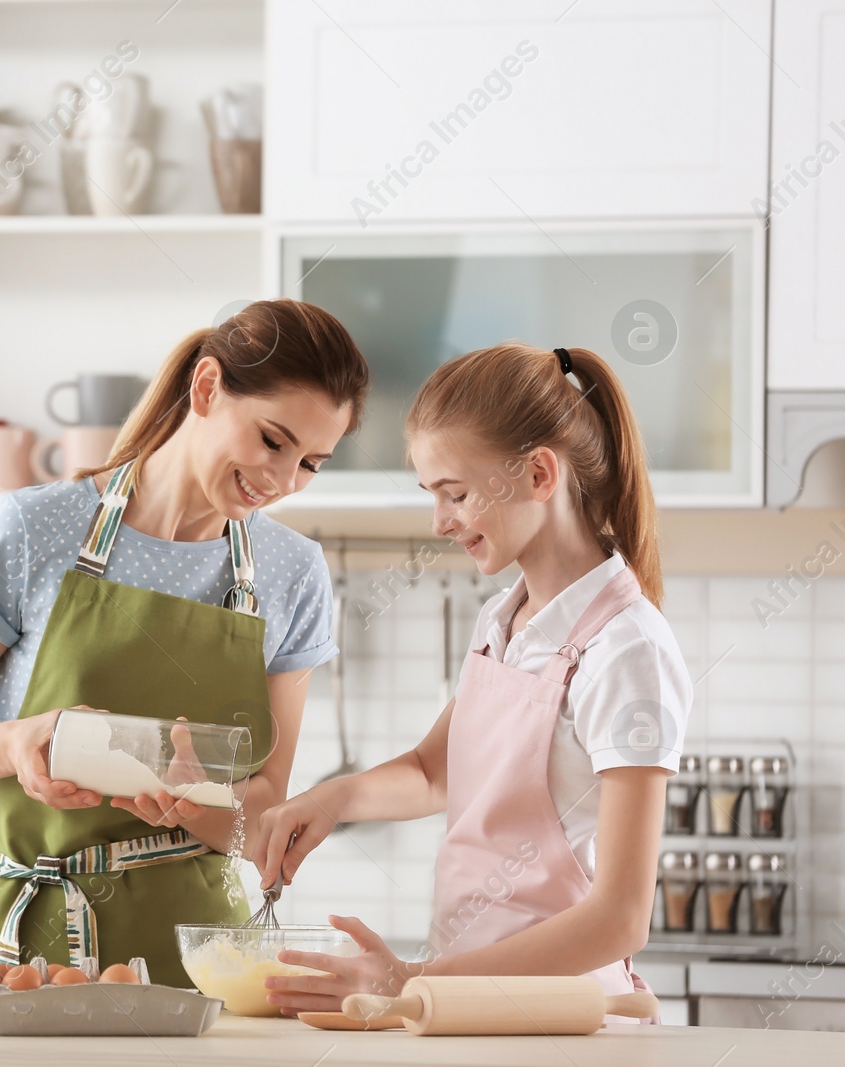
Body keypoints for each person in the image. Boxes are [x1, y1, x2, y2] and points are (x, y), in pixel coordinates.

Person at [0, 300, 370, 985]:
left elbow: (261, 812)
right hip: (23, 952)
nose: (282, 480)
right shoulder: (36, 527)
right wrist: (16, 741)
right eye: (272, 440)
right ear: (206, 388)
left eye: (311, 463)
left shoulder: (292, 571)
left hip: (198, 965)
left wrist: (194, 809)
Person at [251, 343, 690, 1016]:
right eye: (433, 495)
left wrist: (414, 981)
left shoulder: (626, 649)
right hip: (469, 1010)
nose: (440, 521)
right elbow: (435, 772)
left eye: (455, 493)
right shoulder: (501, 619)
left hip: (568, 1021)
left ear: (540, 473)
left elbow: (621, 919)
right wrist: (334, 798)